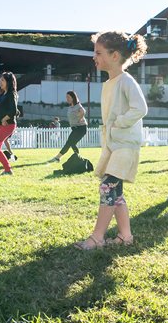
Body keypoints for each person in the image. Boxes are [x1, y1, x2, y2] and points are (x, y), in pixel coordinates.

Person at [74, 31, 148, 250]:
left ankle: (97, 238)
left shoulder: (126, 81)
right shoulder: (109, 83)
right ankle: (125, 236)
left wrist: (119, 123)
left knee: (108, 187)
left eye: (98, 53)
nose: (94, 57)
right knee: (115, 191)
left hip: (126, 145)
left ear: (114, 55)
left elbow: (140, 108)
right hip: (114, 145)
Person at [49, 91, 88, 162]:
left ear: (73, 98)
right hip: (75, 128)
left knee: (69, 142)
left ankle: (57, 157)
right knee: (72, 143)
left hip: (81, 128)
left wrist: (80, 118)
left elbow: (83, 111)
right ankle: (78, 157)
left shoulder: (77, 105)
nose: (67, 99)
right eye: (66, 97)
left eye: (68, 97)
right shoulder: (70, 107)